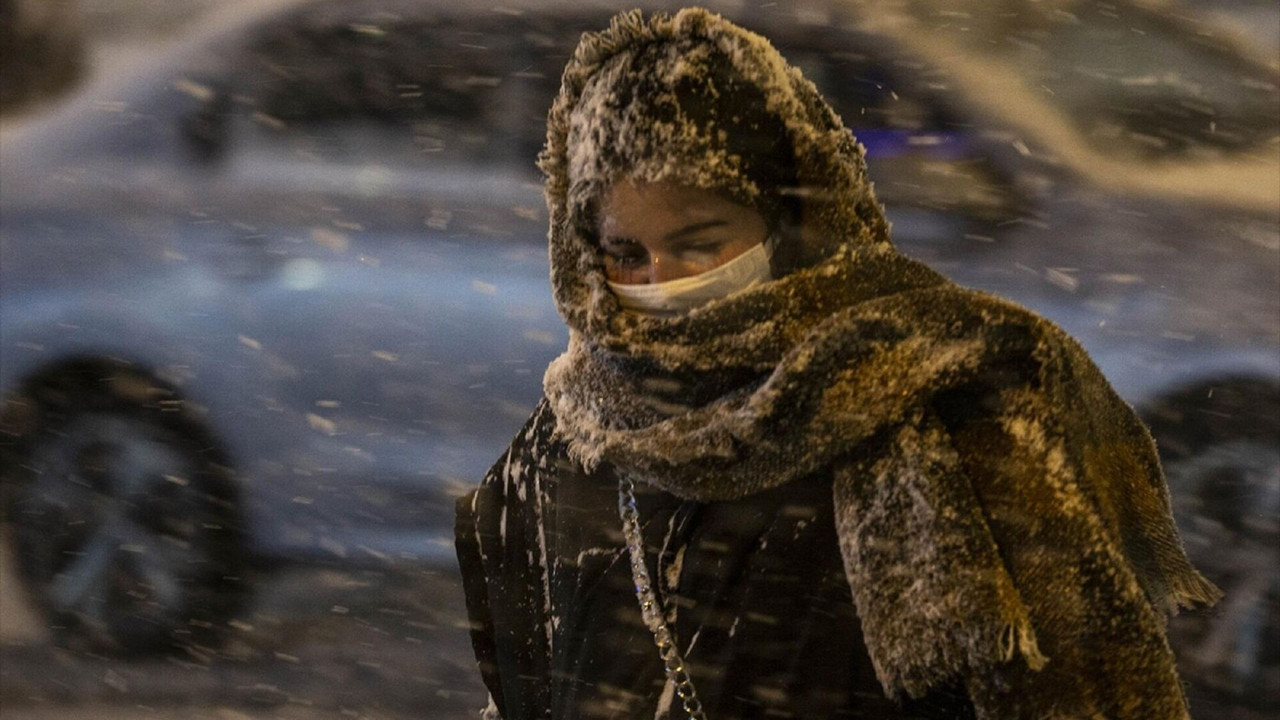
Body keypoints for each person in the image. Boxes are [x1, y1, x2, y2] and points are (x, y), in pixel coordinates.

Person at [455, 8, 1220, 719]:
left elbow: (1080, 689)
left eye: (699, 242)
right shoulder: (563, 447)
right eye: (625, 253)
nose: (660, 283)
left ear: (791, 223)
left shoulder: (956, 401)